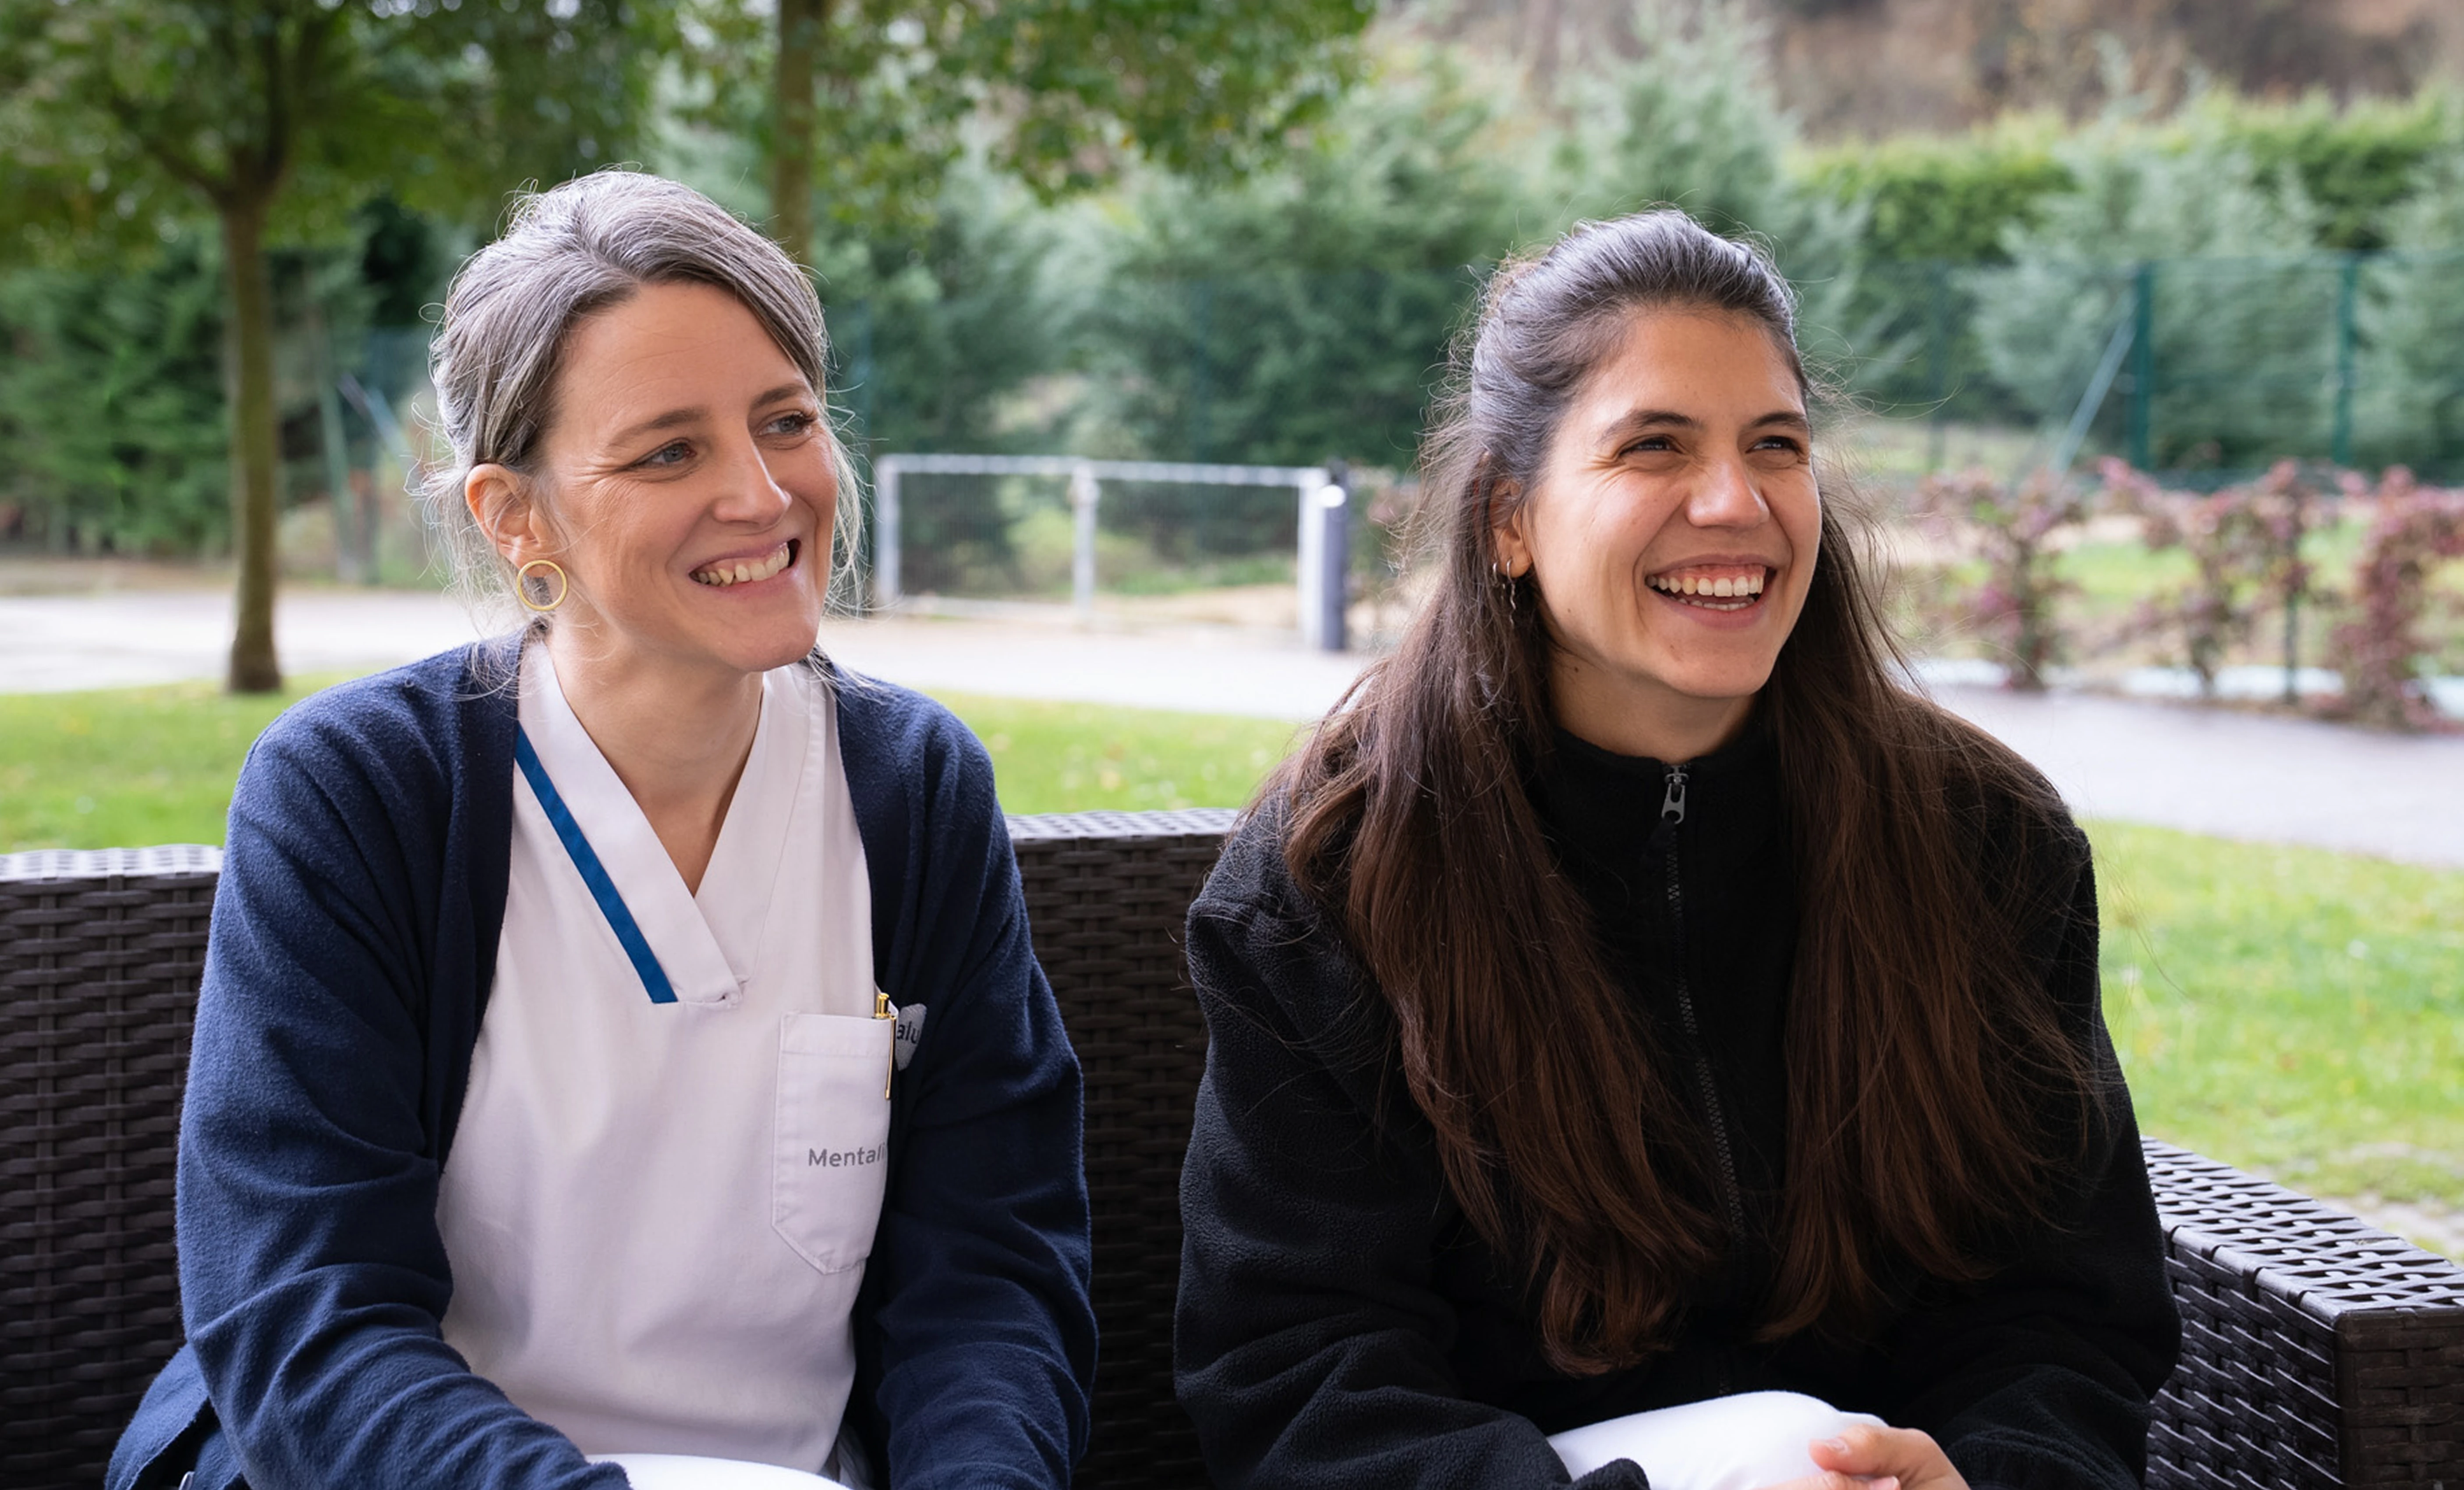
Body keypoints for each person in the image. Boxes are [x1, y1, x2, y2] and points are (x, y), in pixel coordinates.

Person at [106, 171, 1094, 1490]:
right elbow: (306, 1317)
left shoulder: (912, 791)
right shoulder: (358, 796)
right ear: (518, 518)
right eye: (668, 451)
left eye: (786, 421)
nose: (761, 493)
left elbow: (993, 1278)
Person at [1173, 211, 2180, 1490]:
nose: (1736, 502)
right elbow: (1298, 1369)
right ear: (1509, 522)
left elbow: (2068, 1312)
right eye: (1655, 446)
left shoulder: (1986, 843)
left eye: (1778, 445)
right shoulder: (1337, 877)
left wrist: (1989, 1476)